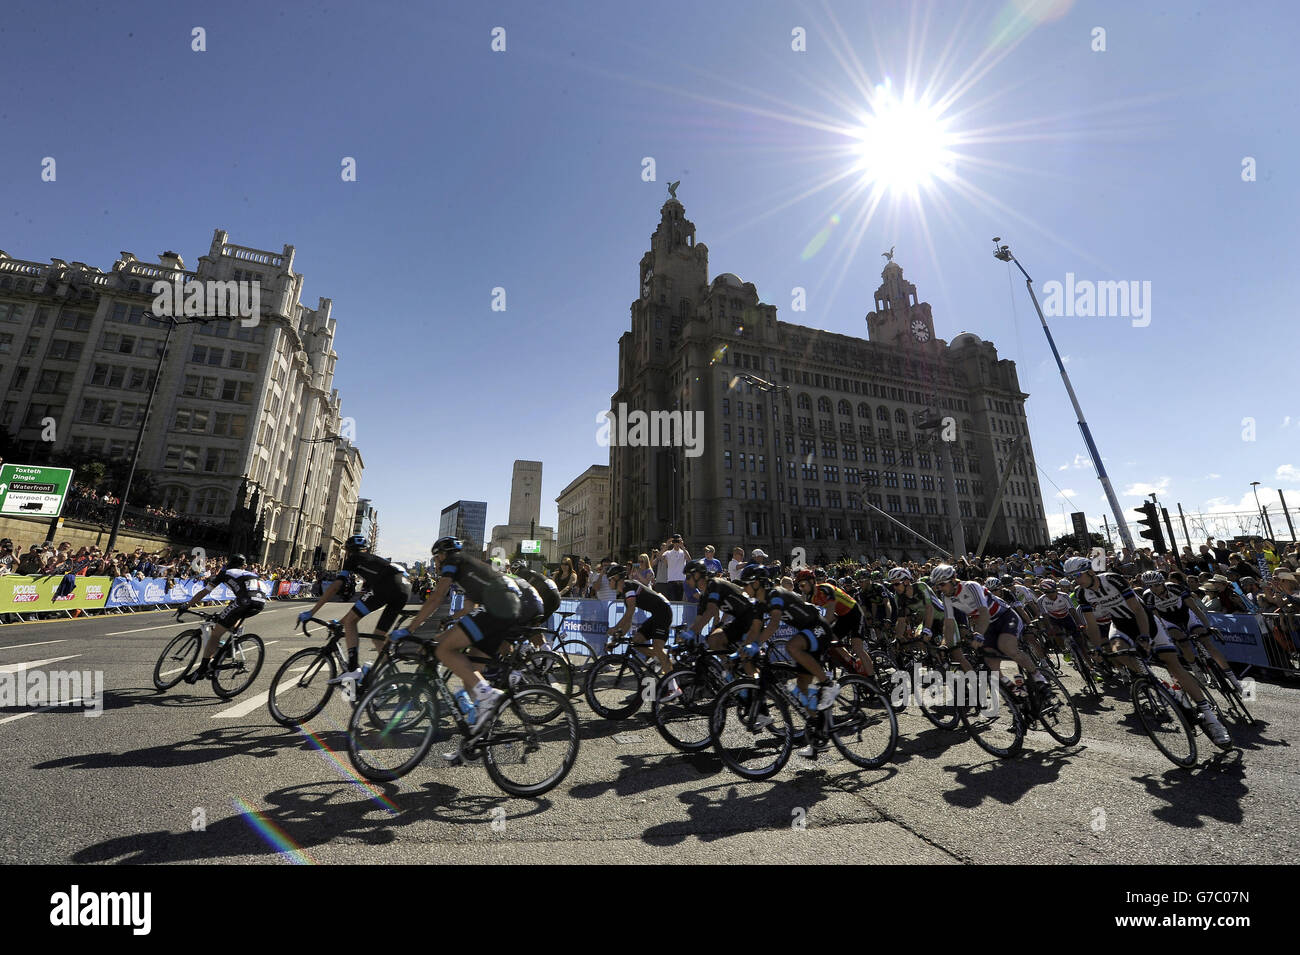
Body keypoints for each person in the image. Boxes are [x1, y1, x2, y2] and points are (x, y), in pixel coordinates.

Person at [1062, 556, 1230, 747]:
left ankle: (1211, 719)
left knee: (1174, 665)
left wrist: (1143, 636)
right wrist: (1097, 648)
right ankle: (1158, 684)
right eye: (1072, 577)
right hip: (1120, 625)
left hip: (1146, 622)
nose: (1076, 580)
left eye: (1077, 575)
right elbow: (1091, 624)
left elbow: (1138, 609)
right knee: (1118, 650)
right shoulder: (1082, 593)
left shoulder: (1113, 580)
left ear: (1090, 571)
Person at [396, 537, 541, 731]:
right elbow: (468, 608)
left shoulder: (454, 561)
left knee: (443, 649)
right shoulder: (469, 571)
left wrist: (410, 628)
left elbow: (437, 597)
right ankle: (480, 718)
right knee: (472, 666)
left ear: (445, 554)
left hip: (499, 606)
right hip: (508, 608)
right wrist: (449, 620)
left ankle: (489, 696)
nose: (436, 562)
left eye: (437, 557)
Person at [296, 535, 412, 696]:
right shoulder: (373, 560)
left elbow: (336, 586)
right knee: (378, 637)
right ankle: (393, 681)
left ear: (348, 551)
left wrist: (311, 612)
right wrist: (341, 622)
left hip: (388, 585)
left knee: (351, 622)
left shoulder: (353, 558)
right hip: (405, 588)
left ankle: (353, 669)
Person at [179, 554, 266, 684]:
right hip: (261, 602)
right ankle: (232, 645)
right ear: (243, 565)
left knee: (216, 634)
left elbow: (205, 592)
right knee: (232, 618)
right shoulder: (249, 573)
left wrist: (187, 605)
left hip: (245, 600)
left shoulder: (226, 573)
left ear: (229, 563)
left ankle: (202, 670)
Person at [604, 561, 679, 698]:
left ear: (616, 579)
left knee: (657, 647)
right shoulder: (626, 592)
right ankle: (662, 658)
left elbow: (630, 611)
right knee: (636, 641)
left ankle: (673, 687)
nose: (608, 583)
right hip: (657, 613)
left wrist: (615, 628)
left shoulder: (627, 586)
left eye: (609, 580)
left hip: (663, 611)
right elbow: (628, 620)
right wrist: (615, 640)